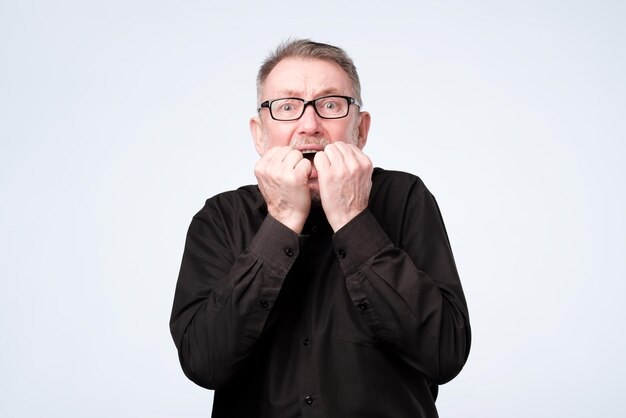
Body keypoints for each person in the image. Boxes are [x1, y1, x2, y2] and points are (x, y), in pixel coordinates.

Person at [170, 39, 471, 417]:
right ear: (259, 134)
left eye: (330, 105)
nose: (309, 125)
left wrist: (352, 218)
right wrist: (280, 222)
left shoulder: (406, 198)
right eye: (287, 107)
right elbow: (204, 362)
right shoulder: (219, 218)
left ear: (360, 130)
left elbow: (444, 354)